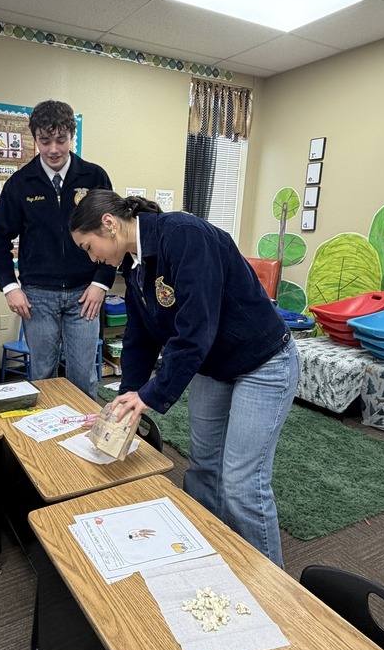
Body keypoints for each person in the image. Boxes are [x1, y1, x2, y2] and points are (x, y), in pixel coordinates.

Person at [69, 190, 299, 565]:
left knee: (242, 483)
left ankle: (270, 581)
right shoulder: (134, 265)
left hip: (263, 362)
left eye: (88, 245)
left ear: (108, 225)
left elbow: (195, 329)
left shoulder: (184, 235)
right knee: (203, 468)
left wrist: (150, 395)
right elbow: (139, 337)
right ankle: (212, 551)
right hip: (214, 365)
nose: (91, 257)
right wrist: (129, 395)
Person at [0, 99, 115, 399]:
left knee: (84, 377)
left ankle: (82, 443)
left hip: (86, 295)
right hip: (37, 297)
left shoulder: (94, 177)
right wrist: (9, 287)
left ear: (72, 136)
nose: (53, 149)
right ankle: (45, 443)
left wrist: (101, 283)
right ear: (35, 140)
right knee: (42, 377)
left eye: (61, 140)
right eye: (45, 141)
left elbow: (113, 233)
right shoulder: (21, 183)